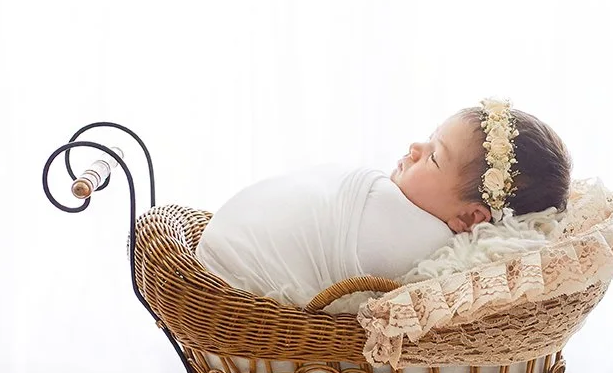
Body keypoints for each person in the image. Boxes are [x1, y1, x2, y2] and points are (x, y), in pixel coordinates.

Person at [195, 99, 572, 309]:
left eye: (434, 157)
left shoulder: (425, 245)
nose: (415, 148)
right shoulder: (398, 203)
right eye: (429, 138)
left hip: (230, 276)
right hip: (226, 266)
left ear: (471, 217)